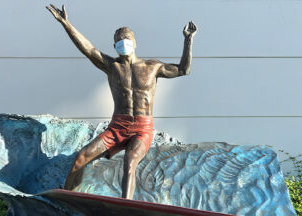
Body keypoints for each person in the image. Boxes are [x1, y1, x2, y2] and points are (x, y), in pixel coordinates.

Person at [45, 4, 197, 199]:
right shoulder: (112, 66)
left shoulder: (152, 67)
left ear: (134, 43)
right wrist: (66, 24)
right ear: (114, 45)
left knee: (130, 160)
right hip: (117, 127)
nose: (122, 43)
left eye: (126, 40)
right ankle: (66, 199)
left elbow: (184, 69)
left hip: (142, 128)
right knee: (81, 158)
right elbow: (88, 49)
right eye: (118, 41)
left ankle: (125, 205)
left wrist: (188, 40)